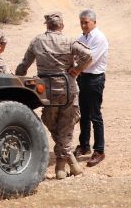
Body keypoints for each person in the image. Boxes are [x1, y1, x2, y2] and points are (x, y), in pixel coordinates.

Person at [16, 12, 92, 179]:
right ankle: (68, 161)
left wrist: (16, 80)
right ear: (61, 26)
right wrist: (77, 69)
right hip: (68, 90)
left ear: (47, 26)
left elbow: (23, 65)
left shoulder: (37, 41)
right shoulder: (69, 41)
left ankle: (61, 165)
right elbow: (88, 55)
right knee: (67, 125)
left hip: (46, 92)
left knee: (51, 122)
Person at [74, 9, 109, 167]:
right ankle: (84, 145)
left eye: (86, 22)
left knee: (95, 115)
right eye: (81, 22)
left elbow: (89, 59)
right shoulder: (82, 38)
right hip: (83, 78)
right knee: (83, 114)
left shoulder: (99, 38)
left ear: (94, 22)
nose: (83, 25)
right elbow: (75, 56)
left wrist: (75, 69)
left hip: (95, 79)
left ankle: (99, 150)